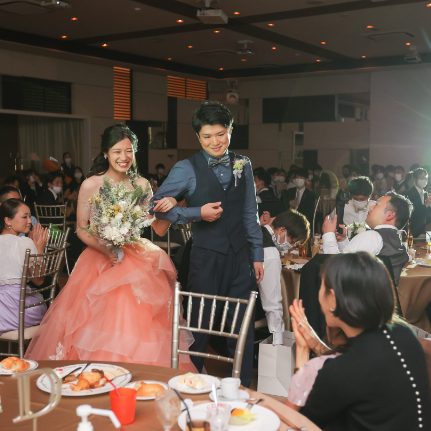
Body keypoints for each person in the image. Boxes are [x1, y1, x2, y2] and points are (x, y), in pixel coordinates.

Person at [25, 124, 194, 369]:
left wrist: (171, 206)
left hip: (137, 258)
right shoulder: (91, 184)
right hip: (99, 259)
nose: (124, 157)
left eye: (128, 151)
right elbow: (81, 228)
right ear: (106, 153)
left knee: (139, 323)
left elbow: (157, 228)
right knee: (96, 325)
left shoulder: (142, 185)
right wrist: (107, 249)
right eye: (117, 151)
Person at [250, 252, 430, 430]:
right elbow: (361, 365)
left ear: (333, 299)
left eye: (321, 287)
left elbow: (299, 423)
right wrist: (314, 343)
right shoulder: (404, 335)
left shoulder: (341, 371)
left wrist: (302, 354)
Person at [152, 101, 263, 386]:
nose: (215, 141)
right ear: (198, 137)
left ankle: (242, 388)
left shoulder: (243, 164)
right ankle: (190, 386)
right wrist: (196, 213)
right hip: (206, 256)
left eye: (221, 134)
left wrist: (257, 254)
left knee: (242, 327)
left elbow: (250, 212)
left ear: (230, 131)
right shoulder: (186, 168)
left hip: (240, 256)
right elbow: (154, 207)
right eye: (207, 136)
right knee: (200, 325)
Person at [322, 191, 411, 284]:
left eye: (376, 204)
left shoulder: (373, 237)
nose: (370, 207)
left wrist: (328, 234)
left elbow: (336, 270)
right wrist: (343, 241)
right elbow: (354, 261)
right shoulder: (397, 242)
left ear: (389, 215)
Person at [259, 210, 310, 344]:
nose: (290, 247)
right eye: (292, 241)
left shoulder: (256, 231)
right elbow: (272, 304)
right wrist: (278, 342)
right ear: (282, 230)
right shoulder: (270, 253)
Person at [0, 199, 48, 333]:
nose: (29, 221)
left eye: (30, 216)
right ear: (8, 221)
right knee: (42, 306)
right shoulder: (24, 242)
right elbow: (38, 281)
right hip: (19, 311)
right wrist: (39, 249)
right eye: (24, 217)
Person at [406, 167, 431, 237]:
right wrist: (426, 205)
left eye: (426, 178)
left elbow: (428, 214)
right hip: (414, 230)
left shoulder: (426, 194)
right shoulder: (409, 194)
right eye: (422, 178)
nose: (424, 180)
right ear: (415, 179)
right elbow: (412, 213)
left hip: (427, 229)